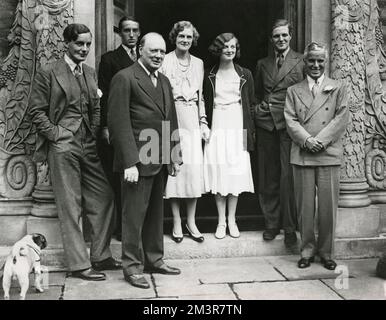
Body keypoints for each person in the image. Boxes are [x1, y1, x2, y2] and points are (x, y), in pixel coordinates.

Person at [29, 23, 121, 281]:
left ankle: (100, 255)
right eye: (79, 43)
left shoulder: (90, 73)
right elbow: (36, 111)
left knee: (104, 197)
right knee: (70, 205)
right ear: (66, 44)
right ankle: (80, 265)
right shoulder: (49, 72)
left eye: (88, 44)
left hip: (87, 144)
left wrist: (92, 130)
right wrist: (57, 135)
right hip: (62, 146)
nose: (84, 48)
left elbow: (96, 107)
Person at [108, 33, 182, 289]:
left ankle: (154, 259)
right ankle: (131, 266)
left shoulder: (163, 80)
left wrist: (173, 155)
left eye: (162, 52)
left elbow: (170, 118)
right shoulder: (124, 78)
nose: (159, 56)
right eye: (153, 51)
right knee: (133, 216)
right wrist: (129, 162)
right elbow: (118, 123)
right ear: (140, 50)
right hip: (137, 162)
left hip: (159, 158)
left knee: (154, 214)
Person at [284, 42, 349, 270]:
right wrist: (306, 140)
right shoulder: (294, 91)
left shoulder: (338, 87)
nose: (316, 65)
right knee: (305, 208)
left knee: (327, 207)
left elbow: (341, 118)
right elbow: (290, 119)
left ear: (326, 62)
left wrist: (319, 141)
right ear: (305, 62)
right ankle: (307, 250)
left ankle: (326, 252)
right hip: (302, 153)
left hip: (328, 153)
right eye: (311, 60)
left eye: (320, 60)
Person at [254, 19, 305, 246]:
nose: (281, 39)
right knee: (268, 178)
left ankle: (290, 227)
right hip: (266, 125)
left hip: (288, 127)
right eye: (276, 36)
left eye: (284, 35)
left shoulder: (301, 61)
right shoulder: (262, 64)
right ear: (271, 39)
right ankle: (271, 224)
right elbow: (255, 94)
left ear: (290, 36)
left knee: (288, 178)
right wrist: (257, 109)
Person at [160, 21, 209, 244]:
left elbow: (201, 98)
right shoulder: (165, 60)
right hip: (173, 116)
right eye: (182, 36)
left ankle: (192, 221)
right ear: (175, 37)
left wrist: (203, 121)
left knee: (192, 171)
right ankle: (177, 222)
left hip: (192, 119)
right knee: (176, 170)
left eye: (189, 37)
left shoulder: (198, 63)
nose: (185, 40)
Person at [203, 33, 255, 239]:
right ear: (218, 49)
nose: (229, 50)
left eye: (233, 46)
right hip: (217, 125)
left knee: (235, 174)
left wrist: (249, 133)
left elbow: (250, 104)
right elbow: (204, 102)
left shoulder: (245, 74)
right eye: (225, 47)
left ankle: (232, 219)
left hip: (237, 126)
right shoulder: (208, 75)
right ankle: (221, 221)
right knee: (219, 172)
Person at [98, 16, 141, 241]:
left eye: (135, 30)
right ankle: (122, 228)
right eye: (127, 31)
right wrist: (105, 126)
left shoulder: (146, 57)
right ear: (120, 33)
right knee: (121, 177)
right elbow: (103, 96)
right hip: (120, 125)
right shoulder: (110, 59)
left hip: (142, 127)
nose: (131, 35)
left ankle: (139, 227)